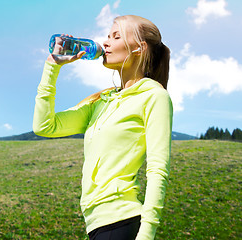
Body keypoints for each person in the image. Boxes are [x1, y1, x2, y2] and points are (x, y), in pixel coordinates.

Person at [33, 15, 173, 240]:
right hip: (96, 225)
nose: (105, 43)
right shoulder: (101, 101)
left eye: (116, 37)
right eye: (107, 36)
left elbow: (158, 169)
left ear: (139, 48)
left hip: (121, 222)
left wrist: (146, 234)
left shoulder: (154, 96)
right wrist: (52, 66)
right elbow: (45, 126)